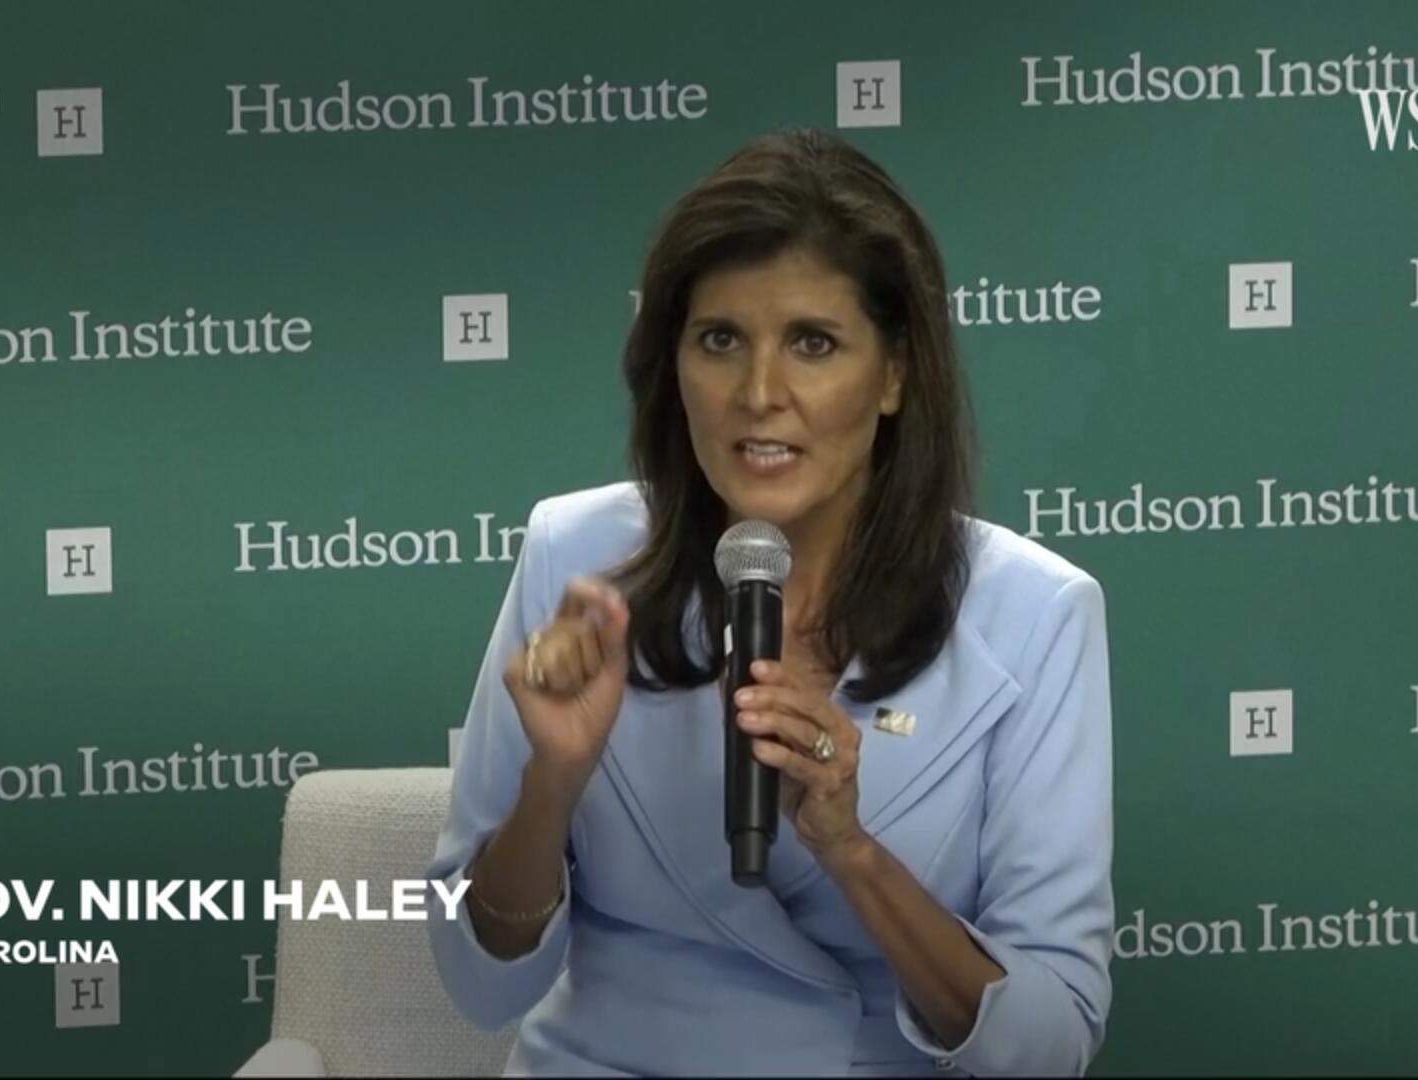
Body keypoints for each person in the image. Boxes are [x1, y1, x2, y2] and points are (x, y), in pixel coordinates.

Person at [428, 127, 1114, 1077]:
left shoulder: (1036, 615)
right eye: (721, 341)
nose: (759, 394)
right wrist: (554, 780)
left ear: (895, 373)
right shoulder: (576, 557)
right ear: (673, 364)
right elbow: (479, 987)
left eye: (812, 344)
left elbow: (1049, 1047)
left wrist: (851, 850)